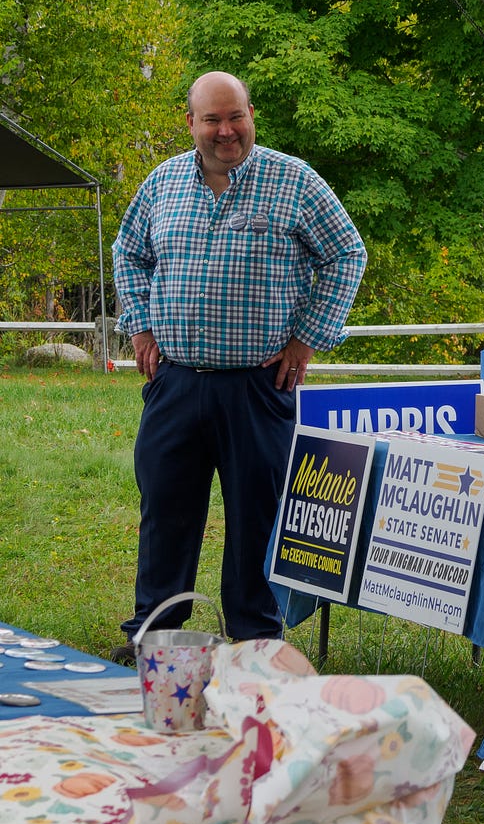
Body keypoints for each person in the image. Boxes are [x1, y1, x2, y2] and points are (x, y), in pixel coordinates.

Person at [110, 71, 367, 662]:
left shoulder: (294, 181)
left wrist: (307, 338)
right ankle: (155, 636)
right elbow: (129, 251)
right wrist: (141, 324)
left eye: (236, 117)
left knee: (256, 516)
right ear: (191, 123)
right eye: (212, 120)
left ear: (252, 113)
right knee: (167, 512)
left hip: (259, 385)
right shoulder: (163, 182)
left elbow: (347, 253)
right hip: (175, 382)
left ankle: (254, 641)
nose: (226, 131)